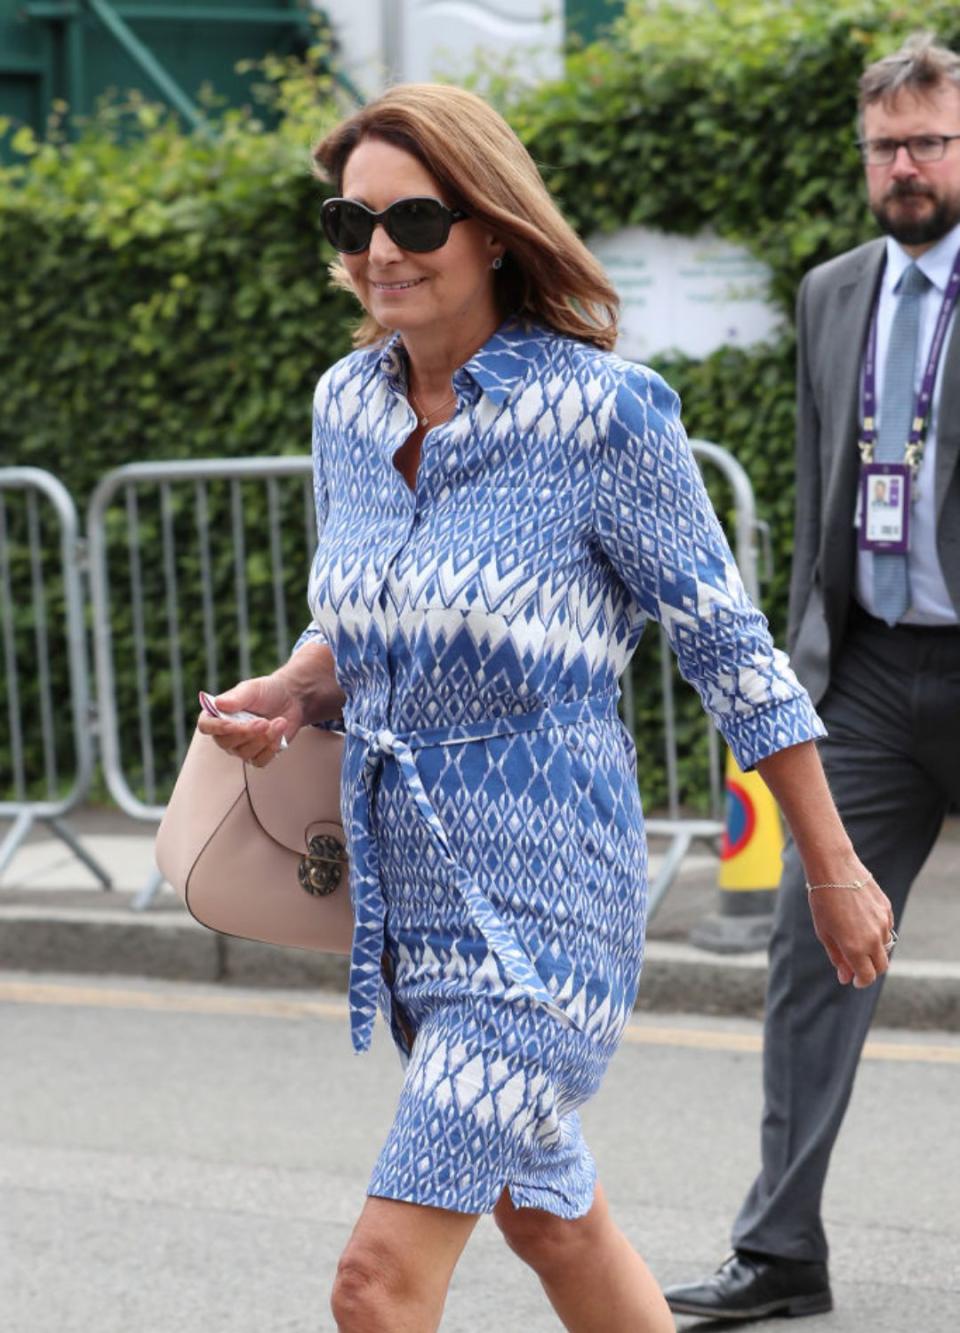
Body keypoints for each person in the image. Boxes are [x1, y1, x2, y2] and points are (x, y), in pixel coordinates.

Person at [197, 83, 893, 1333]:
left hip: (547, 913)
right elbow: (369, 608)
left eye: (415, 218)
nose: (379, 253)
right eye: (347, 225)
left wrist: (832, 865)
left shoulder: (604, 414)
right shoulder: (344, 408)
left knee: (375, 1281)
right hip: (408, 898)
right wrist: (302, 682)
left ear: (496, 228)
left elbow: (729, 646)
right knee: (551, 1219)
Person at [665, 32, 960, 1322]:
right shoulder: (835, 290)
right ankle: (782, 1250)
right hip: (872, 680)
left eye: (932, 141)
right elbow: (819, 487)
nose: (907, 165)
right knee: (812, 948)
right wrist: (803, 661)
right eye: (887, 146)